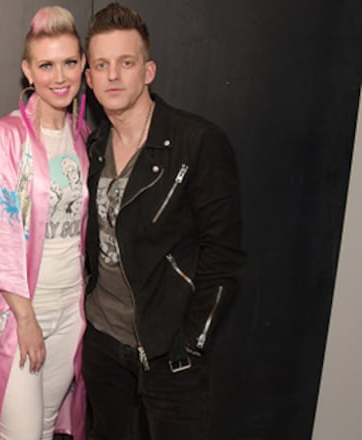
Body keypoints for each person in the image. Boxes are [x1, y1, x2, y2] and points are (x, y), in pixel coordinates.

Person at [81, 3, 245, 439]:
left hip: (169, 353)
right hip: (101, 341)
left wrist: (190, 344)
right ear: (89, 78)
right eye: (102, 64)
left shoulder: (198, 143)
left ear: (148, 71)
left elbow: (224, 257)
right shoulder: (92, 148)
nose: (113, 75)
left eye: (126, 62)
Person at [0, 6, 89, 440]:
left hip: (69, 309)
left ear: (83, 65)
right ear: (27, 71)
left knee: (47, 427)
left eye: (69, 62)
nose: (60, 76)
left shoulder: (83, 137)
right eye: (46, 65)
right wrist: (27, 318)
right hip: (16, 317)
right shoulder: (4, 137)